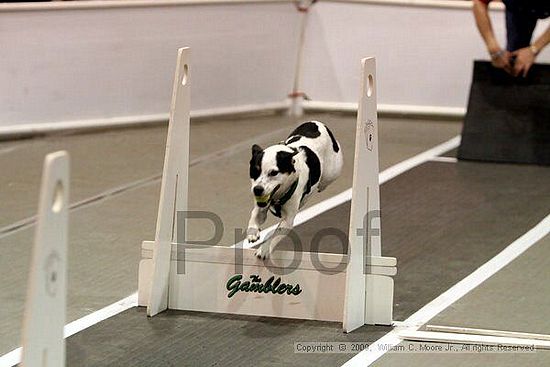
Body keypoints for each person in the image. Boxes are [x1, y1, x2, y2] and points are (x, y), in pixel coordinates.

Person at [473, 0, 550, 77]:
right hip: (519, 8)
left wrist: (534, 49)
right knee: (516, 60)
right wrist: (493, 48)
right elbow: (479, 2)